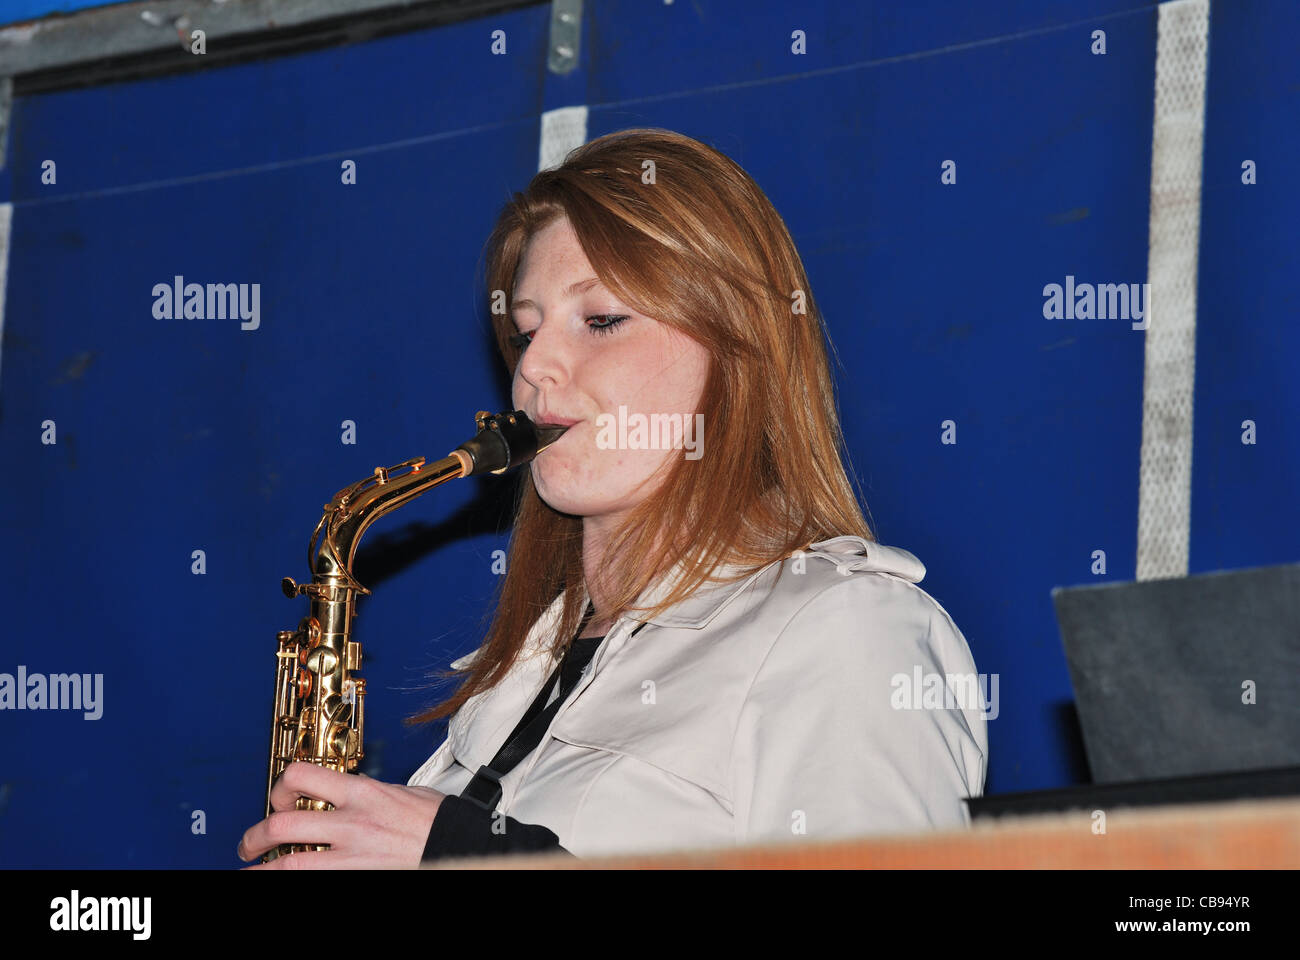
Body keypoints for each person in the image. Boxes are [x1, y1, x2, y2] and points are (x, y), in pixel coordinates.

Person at [237, 127, 987, 868]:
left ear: (738, 350)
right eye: (525, 333)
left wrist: (472, 857)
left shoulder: (847, 629)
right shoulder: (524, 671)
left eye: (600, 320)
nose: (536, 369)